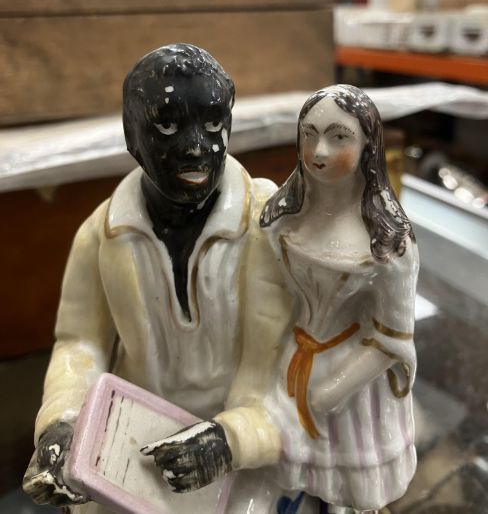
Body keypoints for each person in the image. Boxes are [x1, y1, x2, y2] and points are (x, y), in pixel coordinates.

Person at [23, 43, 289, 513]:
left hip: (246, 441)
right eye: (167, 126)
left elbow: (304, 351)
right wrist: (63, 422)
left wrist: (235, 439)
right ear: (132, 136)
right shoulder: (100, 233)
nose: (195, 147)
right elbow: (81, 341)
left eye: (213, 124)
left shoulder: (272, 222)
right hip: (135, 437)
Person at [148, 85, 418, 513]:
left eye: (339, 137)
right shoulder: (282, 216)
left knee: (348, 491)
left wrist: (331, 392)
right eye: (309, 135)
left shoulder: (389, 245)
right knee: (287, 475)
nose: (320, 151)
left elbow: (392, 342)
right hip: (290, 364)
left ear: (368, 145)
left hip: (351, 382)